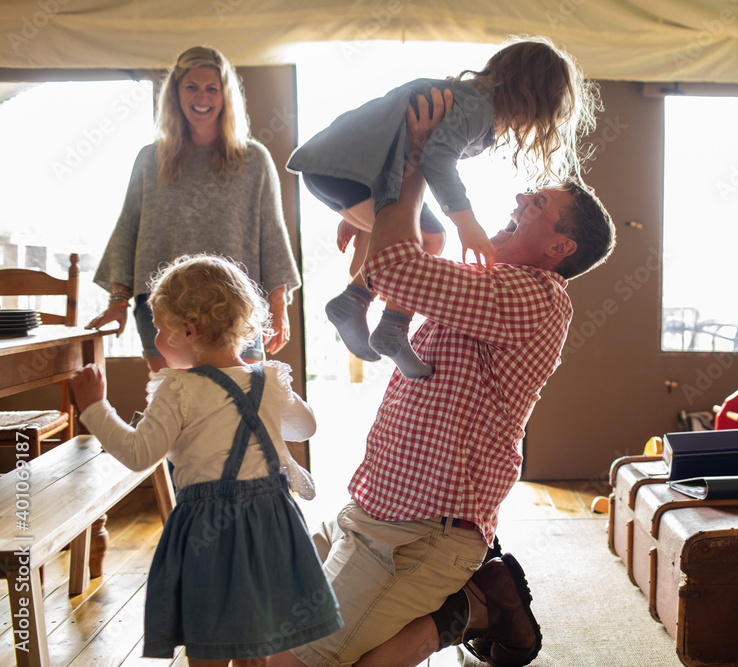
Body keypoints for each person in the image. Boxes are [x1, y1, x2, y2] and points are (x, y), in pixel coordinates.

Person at [268, 88, 615, 667]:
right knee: (263, 636)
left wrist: (417, 160)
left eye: (538, 203)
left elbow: (399, 267)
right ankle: (473, 606)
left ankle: (469, 608)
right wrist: (369, 229)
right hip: (370, 512)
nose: (523, 195)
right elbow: (399, 264)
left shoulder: (535, 297)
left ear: (560, 246)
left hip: (418, 537)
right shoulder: (485, 283)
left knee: (291, 663)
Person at [69, 254, 342, 666]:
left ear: (188, 330)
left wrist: (94, 408)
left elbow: (139, 454)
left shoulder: (176, 388)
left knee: (209, 641)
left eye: (160, 329)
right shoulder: (268, 380)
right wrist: (266, 387)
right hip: (272, 523)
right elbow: (305, 428)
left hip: (208, 530)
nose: (157, 339)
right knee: (261, 639)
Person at [287, 35, 598, 379]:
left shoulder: (468, 102)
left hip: (343, 170)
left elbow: (395, 144)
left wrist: (364, 215)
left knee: (426, 235)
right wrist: (466, 222)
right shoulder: (476, 108)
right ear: (531, 101)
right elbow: (435, 157)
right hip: (347, 172)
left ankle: (366, 308)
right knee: (430, 236)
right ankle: (377, 317)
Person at [87, 45, 301, 372]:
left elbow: (272, 233)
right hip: (165, 308)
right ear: (175, 94)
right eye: (192, 87)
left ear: (225, 95)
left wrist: (277, 306)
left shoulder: (253, 160)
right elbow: (128, 230)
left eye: (212, 88)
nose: (202, 97)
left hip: (235, 306)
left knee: (242, 407)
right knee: (176, 408)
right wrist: (117, 301)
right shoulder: (150, 160)